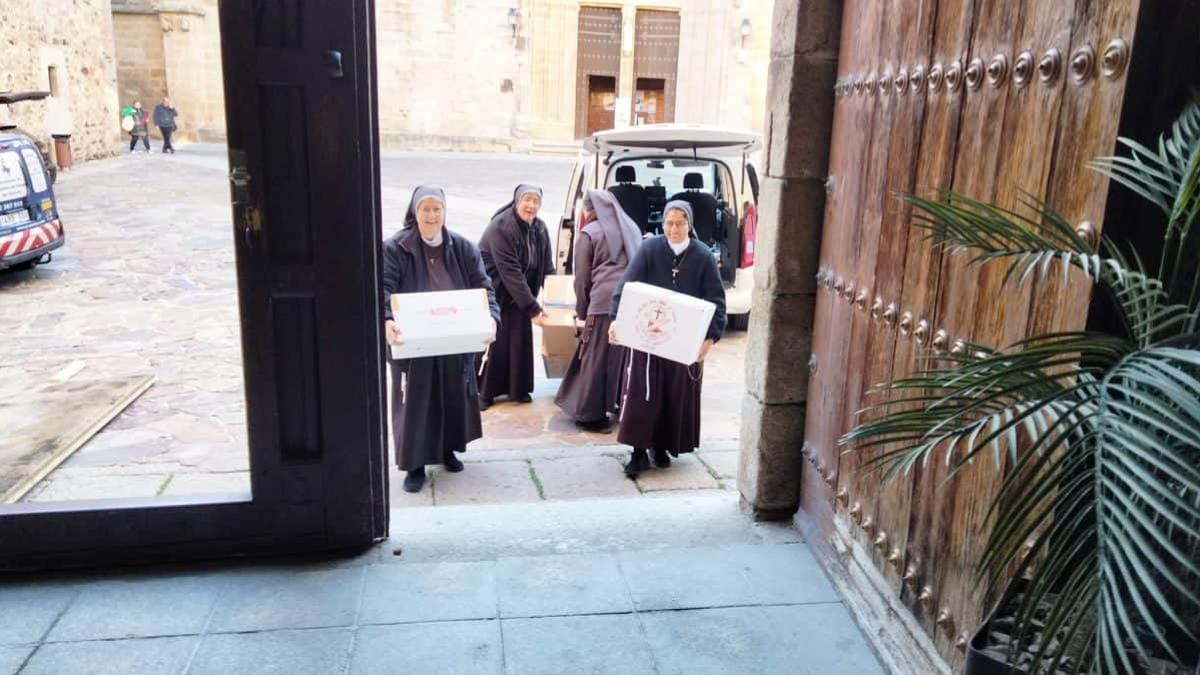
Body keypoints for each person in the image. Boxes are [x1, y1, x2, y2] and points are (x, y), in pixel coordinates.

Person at [383, 186, 501, 493]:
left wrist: (491, 317)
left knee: (452, 395)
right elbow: (381, 289)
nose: (432, 216)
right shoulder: (395, 248)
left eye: (437, 209)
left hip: (454, 335)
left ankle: (447, 449)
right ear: (415, 212)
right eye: (426, 209)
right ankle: (415, 464)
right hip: (414, 338)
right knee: (416, 401)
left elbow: (484, 286)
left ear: (444, 212)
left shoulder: (462, 246)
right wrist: (386, 320)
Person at [609, 200, 727, 478]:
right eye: (669, 223)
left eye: (680, 223)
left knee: (674, 395)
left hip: (683, 341)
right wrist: (617, 319)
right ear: (662, 224)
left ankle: (660, 446)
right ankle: (638, 452)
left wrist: (709, 339)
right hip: (649, 337)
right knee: (642, 393)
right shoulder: (650, 249)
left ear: (690, 225)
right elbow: (628, 285)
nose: (674, 229)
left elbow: (716, 300)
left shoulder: (703, 256)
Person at [554, 190, 642, 431]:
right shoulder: (631, 227)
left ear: (589, 210)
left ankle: (590, 415)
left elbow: (582, 278)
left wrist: (582, 311)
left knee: (595, 357)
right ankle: (619, 406)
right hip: (632, 302)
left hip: (603, 303)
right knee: (622, 358)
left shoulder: (589, 233)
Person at [476, 184, 555, 410]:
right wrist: (533, 308)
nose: (531, 205)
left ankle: (516, 389)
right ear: (517, 201)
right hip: (497, 290)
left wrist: (554, 298)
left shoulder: (540, 228)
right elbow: (510, 272)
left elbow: (547, 266)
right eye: (526, 200)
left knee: (518, 340)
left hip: (521, 292)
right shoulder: (501, 227)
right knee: (495, 341)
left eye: (535, 201)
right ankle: (484, 392)